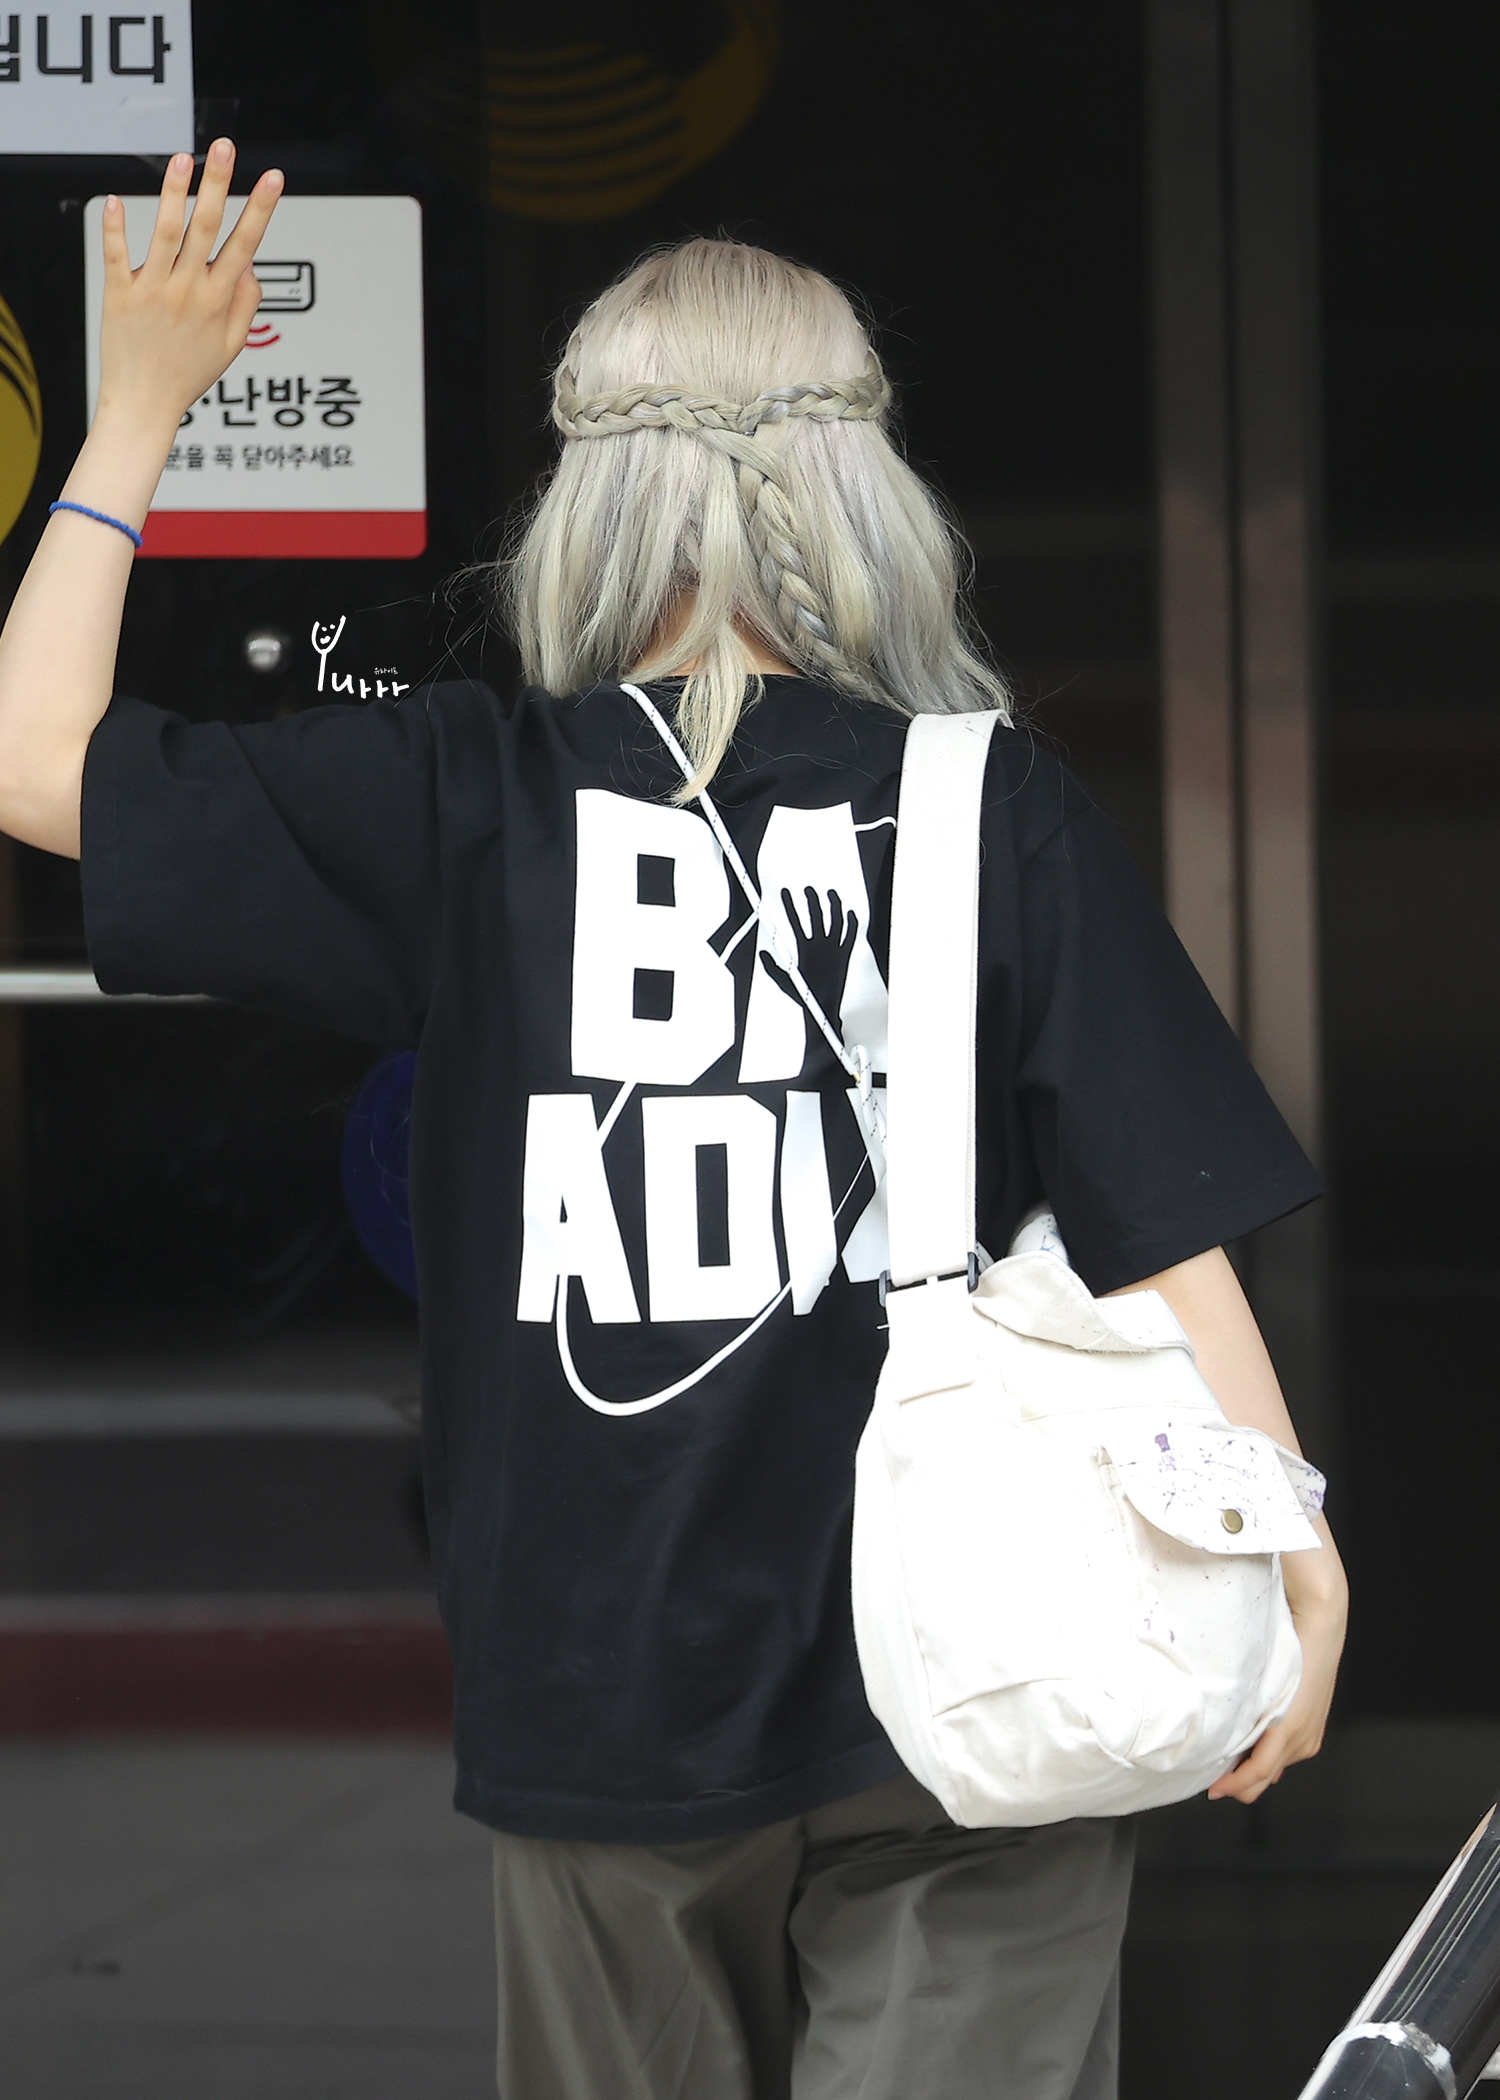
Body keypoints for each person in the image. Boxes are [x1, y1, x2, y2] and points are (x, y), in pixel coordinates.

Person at [0, 144, 1348, 2100]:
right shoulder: (987, 804)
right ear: (861, 484)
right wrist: (1288, 1542)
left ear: (593, 497)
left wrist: (136, 411)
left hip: (601, 1678)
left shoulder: (466, 796)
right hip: (992, 1662)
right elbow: (1159, 1222)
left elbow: (34, 762)